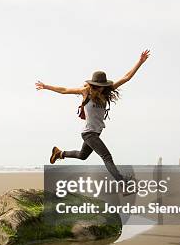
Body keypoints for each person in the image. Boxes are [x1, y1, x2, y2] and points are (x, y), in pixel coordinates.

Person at [35, 49, 151, 181]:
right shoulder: (86, 92)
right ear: (93, 84)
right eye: (98, 85)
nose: (100, 88)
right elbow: (64, 90)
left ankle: (59, 153)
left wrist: (140, 62)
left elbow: (126, 77)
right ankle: (122, 180)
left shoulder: (107, 91)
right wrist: (46, 86)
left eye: (102, 85)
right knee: (107, 156)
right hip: (89, 133)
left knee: (82, 155)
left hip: (96, 132)